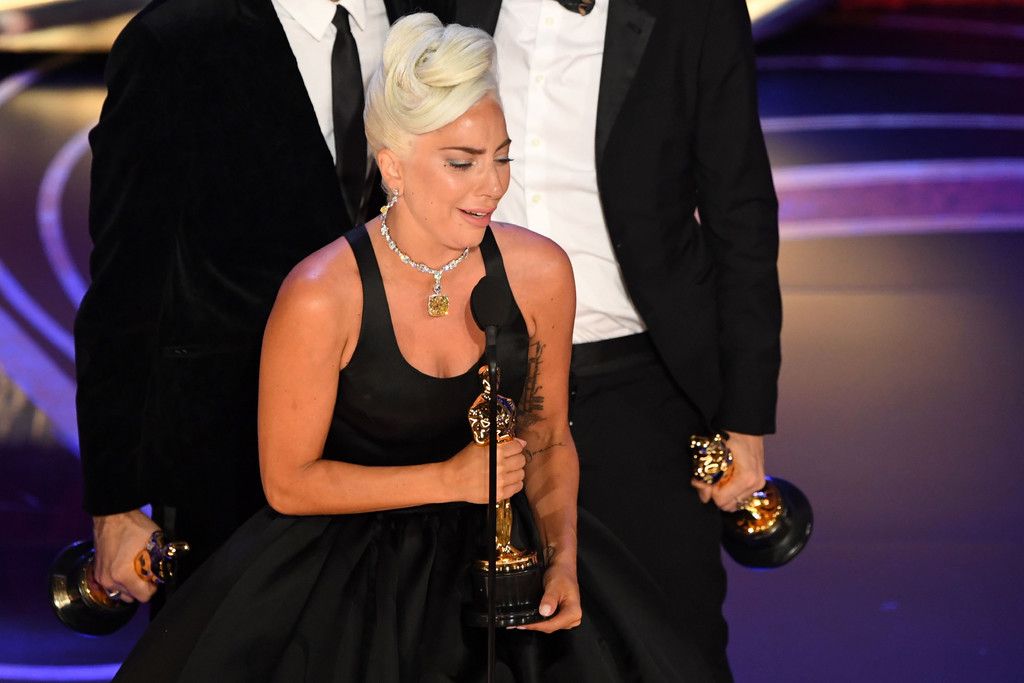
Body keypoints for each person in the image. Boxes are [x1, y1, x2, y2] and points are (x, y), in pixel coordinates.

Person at [111, 14, 713, 681]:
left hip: (501, 563)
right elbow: (288, 482)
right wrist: (448, 480)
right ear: (393, 167)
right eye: (462, 162)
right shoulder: (320, 294)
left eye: (502, 157)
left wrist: (561, 558)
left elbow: (546, 438)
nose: (492, 185)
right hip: (347, 582)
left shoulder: (540, 272)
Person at [443, 1, 783, 679]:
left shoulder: (696, 13)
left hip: (641, 381)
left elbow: (739, 207)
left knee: (669, 647)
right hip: (473, 382)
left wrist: (745, 416)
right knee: (487, 652)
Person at [75, 0, 421, 605]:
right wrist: (115, 502)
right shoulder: (176, 40)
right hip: (231, 468)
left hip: (407, 466)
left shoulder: (429, 15)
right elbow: (127, 279)